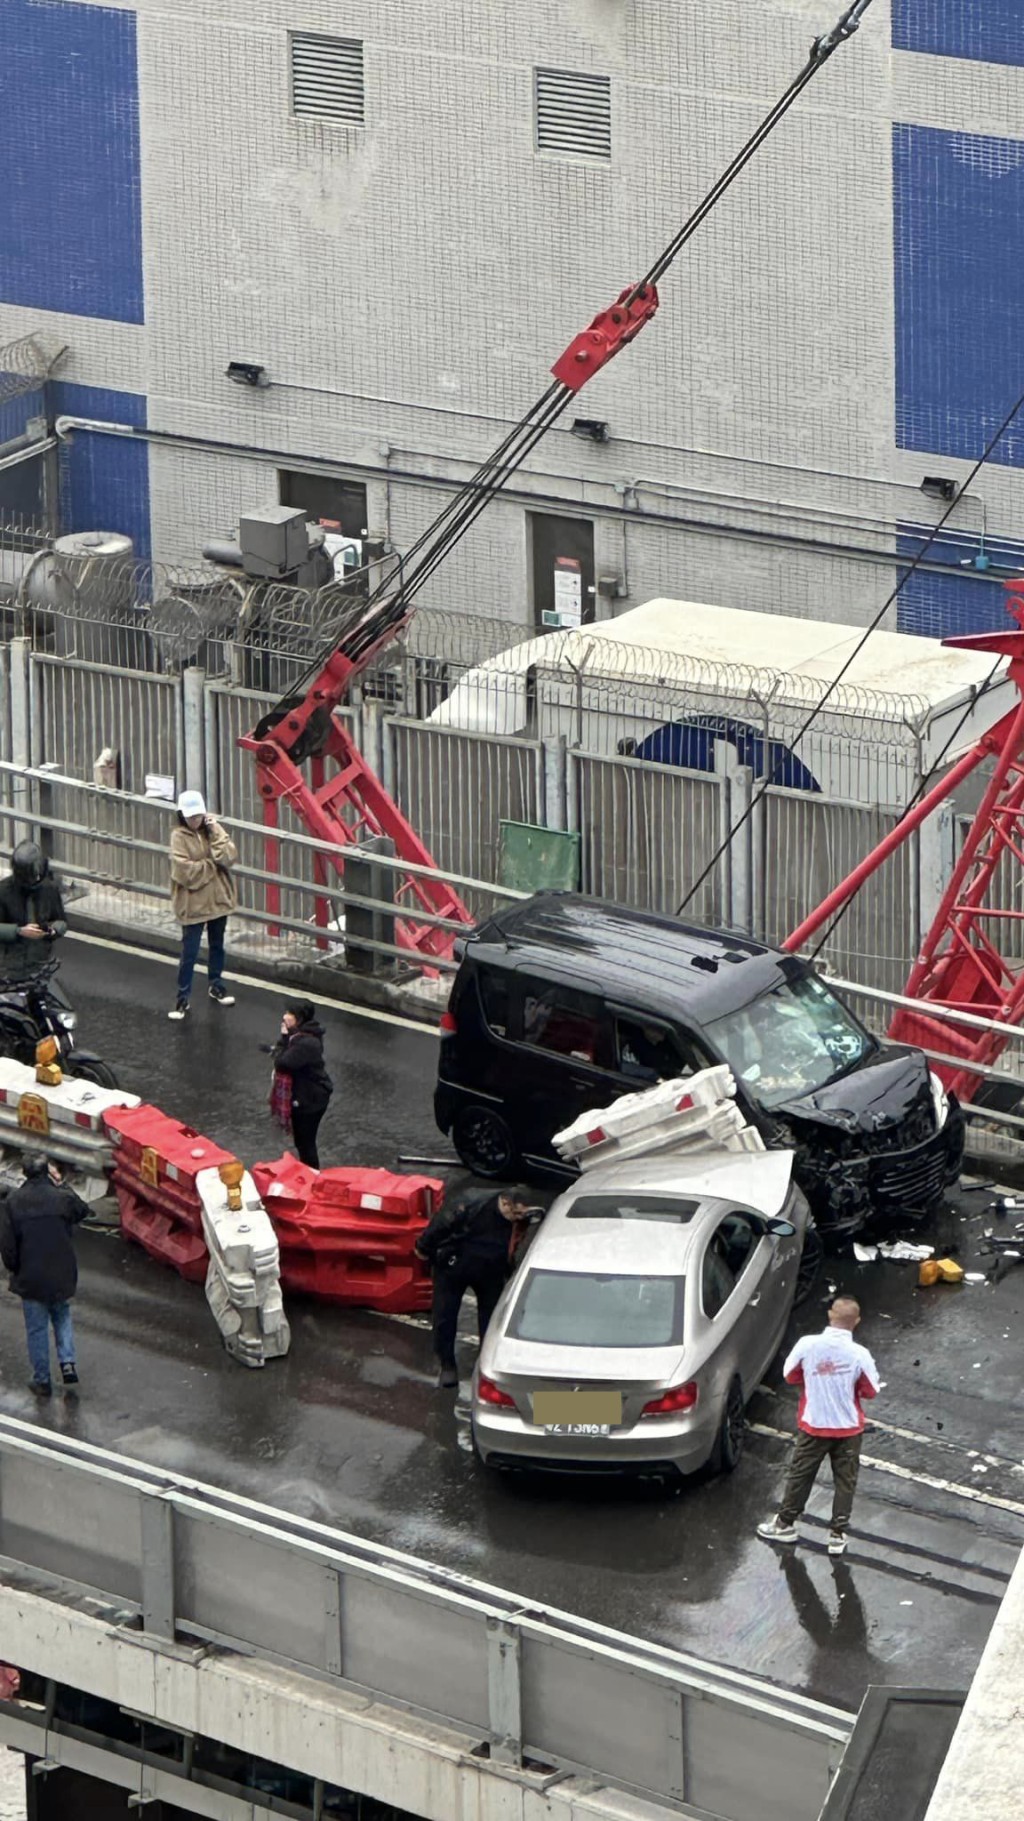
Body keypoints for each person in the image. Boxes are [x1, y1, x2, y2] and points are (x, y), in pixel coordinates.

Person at [757, 1296, 879, 1557]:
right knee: (845, 1482)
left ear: (829, 1315)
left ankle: (784, 1525)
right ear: (856, 1322)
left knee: (800, 1475)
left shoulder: (807, 1345)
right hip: (848, 1430)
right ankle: (837, 1535)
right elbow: (870, 1390)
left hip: (813, 1425)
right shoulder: (860, 1355)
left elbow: (790, 1375)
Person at [415, 1185, 533, 1389]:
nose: (517, 1218)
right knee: (445, 1316)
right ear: (505, 1203)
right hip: (454, 1267)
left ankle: (485, 1362)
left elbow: (517, 1245)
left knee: (490, 1320)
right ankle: (447, 1365)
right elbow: (441, 1224)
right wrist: (423, 1249)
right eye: (515, 1213)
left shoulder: (520, 1219)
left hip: (490, 1272)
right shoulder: (471, 1205)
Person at [0, 1153, 90, 1396]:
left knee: (37, 1329)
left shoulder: (14, 1202)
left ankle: (42, 1380)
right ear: (47, 1172)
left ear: (25, 1172)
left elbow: (7, 1246)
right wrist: (63, 1185)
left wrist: (15, 1269)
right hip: (61, 1273)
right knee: (62, 1317)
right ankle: (68, 1363)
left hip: (30, 1277)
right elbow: (83, 1210)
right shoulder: (61, 1198)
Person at [168, 790, 238, 1019]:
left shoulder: (212, 832)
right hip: (193, 903)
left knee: (217, 945)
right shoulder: (178, 836)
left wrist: (216, 830)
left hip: (218, 899)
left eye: (198, 816)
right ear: (182, 815)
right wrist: (212, 865)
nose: (195, 820)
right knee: (190, 952)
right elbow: (184, 871)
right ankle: (182, 997)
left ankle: (216, 984)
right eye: (190, 816)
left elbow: (228, 857)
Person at [269, 1001, 333, 1169]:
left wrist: (284, 1038)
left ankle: (312, 1176)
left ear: (299, 1019)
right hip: (306, 1095)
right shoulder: (299, 1036)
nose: (284, 1016)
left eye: (289, 1013)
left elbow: (283, 1062)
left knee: (305, 1143)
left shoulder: (305, 1043)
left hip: (310, 1100)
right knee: (303, 1141)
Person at [0, 841, 67, 983]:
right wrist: (18, 931)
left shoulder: (50, 889)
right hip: (9, 968)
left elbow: (61, 920)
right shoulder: (3, 891)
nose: (35, 879)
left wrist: (54, 930)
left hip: (40, 965)